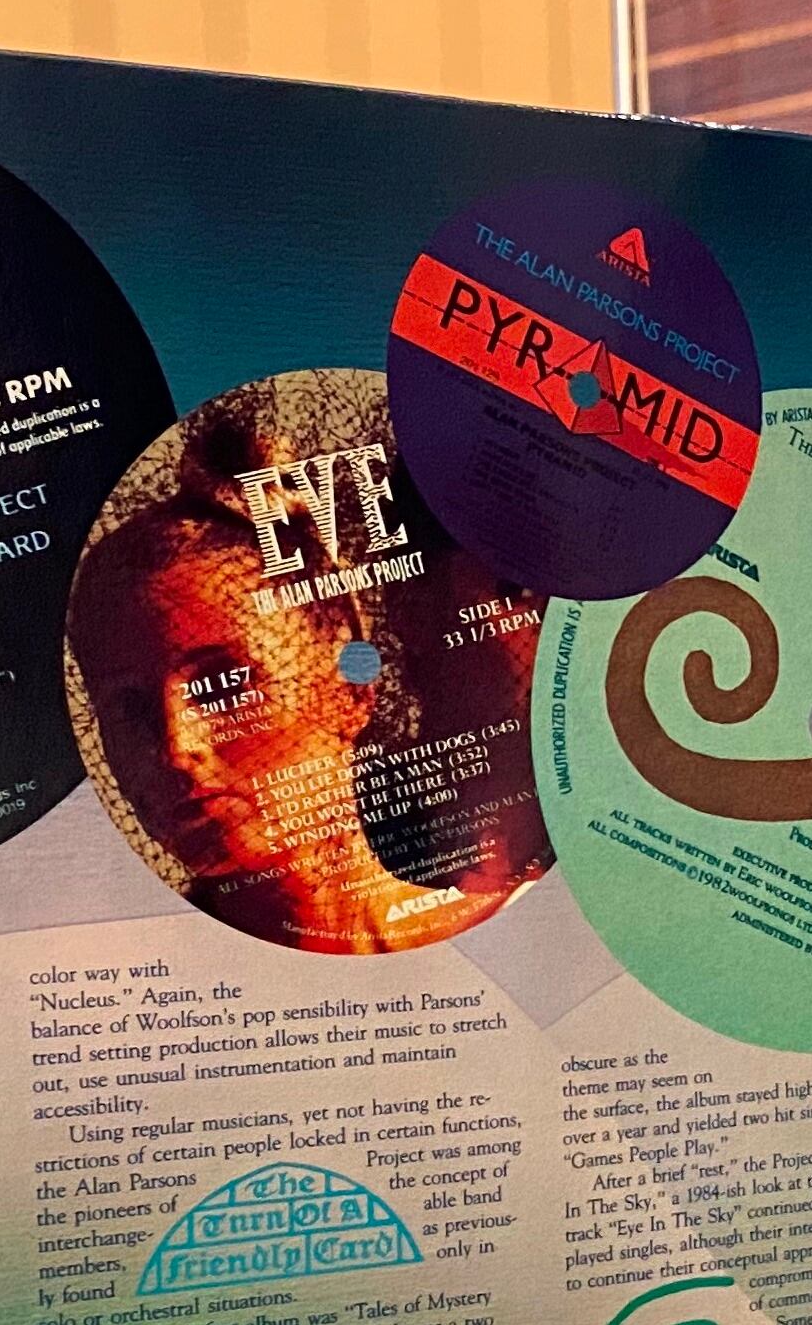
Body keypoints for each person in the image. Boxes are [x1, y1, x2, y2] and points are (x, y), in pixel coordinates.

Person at [67, 369, 547, 952]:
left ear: (349, 686)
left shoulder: (515, 926)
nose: (176, 748)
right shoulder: (127, 956)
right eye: (128, 709)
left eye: (224, 686)